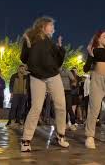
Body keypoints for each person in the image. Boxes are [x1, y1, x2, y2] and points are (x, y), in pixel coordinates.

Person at [20, 16, 69, 152]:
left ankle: (60, 135)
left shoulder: (50, 42)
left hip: (53, 76)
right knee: (36, 107)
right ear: (43, 25)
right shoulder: (30, 38)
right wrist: (27, 44)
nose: (53, 28)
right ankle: (26, 140)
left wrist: (60, 48)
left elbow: (58, 62)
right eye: (51, 25)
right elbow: (23, 58)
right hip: (37, 77)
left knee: (61, 105)